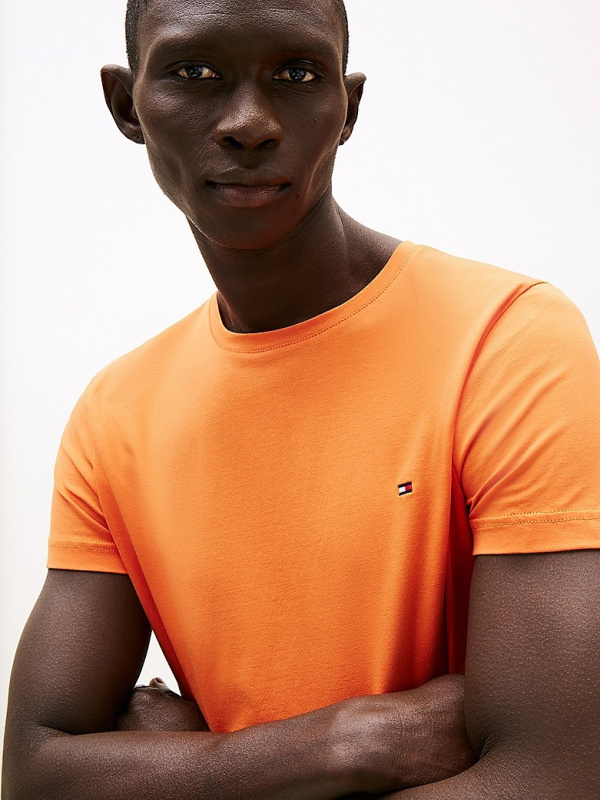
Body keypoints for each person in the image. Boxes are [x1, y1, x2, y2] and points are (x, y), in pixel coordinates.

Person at [3, 0, 600, 797]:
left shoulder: (508, 340)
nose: (249, 123)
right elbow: (35, 771)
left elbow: (557, 774)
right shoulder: (115, 415)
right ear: (126, 106)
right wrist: (339, 745)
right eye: (194, 71)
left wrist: (190, 774)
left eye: (296, 72)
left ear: (346, 109)